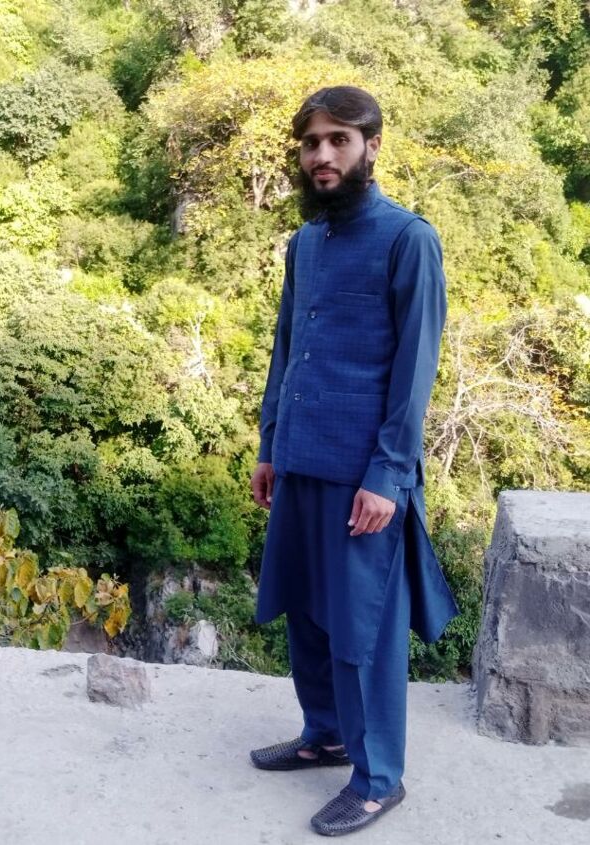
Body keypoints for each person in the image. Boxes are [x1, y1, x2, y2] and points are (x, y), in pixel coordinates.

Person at [249, 86, 460, 837]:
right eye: (312, 142)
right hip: (301, 458)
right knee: (306, 610)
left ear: (372, 146)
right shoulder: (305, 243)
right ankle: (326, 735)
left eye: (339, 139)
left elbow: (414, 371)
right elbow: (286, 348)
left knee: (361, 631)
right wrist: (271, 444)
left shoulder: (408, 239)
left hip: (362, 473)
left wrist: (387, 475)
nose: (323, 154)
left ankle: (377, 780)